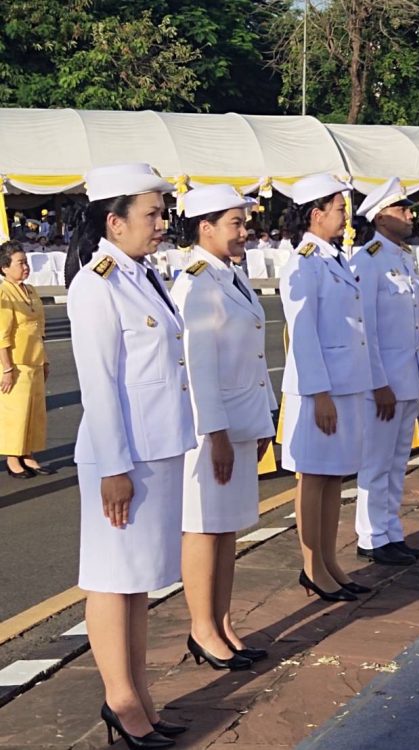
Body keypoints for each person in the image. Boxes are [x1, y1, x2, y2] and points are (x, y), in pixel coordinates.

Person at [67, 163, 195, 748]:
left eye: (162, 213)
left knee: (138, 580)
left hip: (155, 449)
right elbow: (98, 386)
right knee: (111, 579)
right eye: (152, 214)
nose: (162, 223)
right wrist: (115, 468)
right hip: (120, 456)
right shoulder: (96, 284)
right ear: (114, 222)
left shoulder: (140, 275)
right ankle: (120, 701)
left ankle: (139, 695)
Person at [171, 185, 277, 671]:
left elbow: (254, 353)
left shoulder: (230, 275)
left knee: (227, 527)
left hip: (240, 420)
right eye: (236, 223)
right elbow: (197, 368)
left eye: (244, 222)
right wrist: (214, 435)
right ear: (205, 227)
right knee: (203, 528)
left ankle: (224, 623)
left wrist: (265, 414)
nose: (244, 231)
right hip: (212, 429)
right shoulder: (195, 284)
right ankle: (202, 628)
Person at [280, 173, 372, 602]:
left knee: (335, 476)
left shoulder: (332, 258)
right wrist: (319, 395)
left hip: (344, 385)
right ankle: (312, 565)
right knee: (314, 477)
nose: (345, 216)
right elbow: (303, 335)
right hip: (320, 389)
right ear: (316, 214)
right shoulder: (304, 263)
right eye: (338, 208)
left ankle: (330, 561)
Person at [352, 178, 419, 567]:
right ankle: (370, 537)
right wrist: (378, 382)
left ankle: (390, 532)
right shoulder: (367, 261)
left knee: (398, 460)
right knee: (377, 461)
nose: (409, 216)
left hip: (407, 377)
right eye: (401, 209)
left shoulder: (402, 257)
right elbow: (364, 329)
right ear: (381, 217)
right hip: (384, 382)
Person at [0, 241, 52, 478]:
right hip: (16, 363)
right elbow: (2, 335)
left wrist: (45, 360)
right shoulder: (4, 293)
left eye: (26, 262)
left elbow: (40, 329)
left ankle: (28, 454)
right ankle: (13, 458)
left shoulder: (30, 290)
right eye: (20, 263)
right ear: (4, 268)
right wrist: (6, 368)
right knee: (17, 413)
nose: (26, 267)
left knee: (35, 412)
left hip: (35, 359)